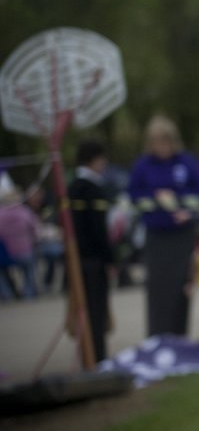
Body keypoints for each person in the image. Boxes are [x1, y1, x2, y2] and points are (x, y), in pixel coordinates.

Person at [128, 115, 199, 336]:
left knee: (182, 287)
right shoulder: (143, 166)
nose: (162, 146)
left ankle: (179, 338)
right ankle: (157, 338)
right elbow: (133, 195)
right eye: (157, 142)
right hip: (156, 236)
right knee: (158, 289)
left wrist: (186, 207)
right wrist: (155, 197)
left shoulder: (185, 162)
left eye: (165, 141)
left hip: (182, 235)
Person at [67, 139, 116, 362]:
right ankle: (97, 356)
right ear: (93, 159)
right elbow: (98, 230)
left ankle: (86, 356)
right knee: (96, 311)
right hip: (94, 259)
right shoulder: (92, 188)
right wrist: (110, 258)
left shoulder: (71, 187)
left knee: (83, 311)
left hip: (76, 259)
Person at [0, 184, 41, 300]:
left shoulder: (1, 214)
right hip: (24, 252)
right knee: (30, 266)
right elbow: (36, 231)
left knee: (1, 271)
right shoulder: (24, 212)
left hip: (4, 254)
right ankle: (28, 292)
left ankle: (6, 293)